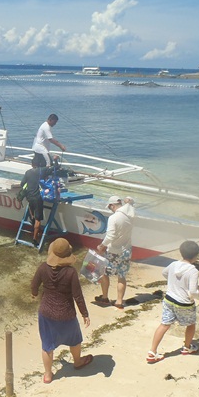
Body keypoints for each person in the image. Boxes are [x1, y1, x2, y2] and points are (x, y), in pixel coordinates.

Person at [31, 238, 92, 384]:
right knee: (75, 340)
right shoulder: (70, 273)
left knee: (47, 346)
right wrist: (85, 314)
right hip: (66, 313)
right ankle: (77, 362)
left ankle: (47, 374)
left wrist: (34, 294)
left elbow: (34, 284)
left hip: (46, 312)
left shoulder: (43, 268)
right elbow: (77, 295)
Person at [147, 240, 199, 363]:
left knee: (164, 324)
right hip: (184, 304)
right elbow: (193, 292)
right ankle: (187, 347)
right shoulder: (193, 270)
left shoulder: (173, 264)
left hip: (169, 299)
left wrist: (173, 282)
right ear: (196, 256)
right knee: (191, 324)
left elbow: (164, 273)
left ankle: (152, 352)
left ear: (181, 253)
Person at [94, 195, 134, 309]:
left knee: (104, 273)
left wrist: (102, 245)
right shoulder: (130, 213)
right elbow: (131, 202)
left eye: (109, 207)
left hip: (114, 250)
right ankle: (119, 301)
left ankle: (105, 297)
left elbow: (110, 235)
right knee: (121, 276)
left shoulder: (113, 218)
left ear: (112, 205)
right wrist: (128, 200)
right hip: (126, 249)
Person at [19, 156, 52, 246]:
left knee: (33, 216)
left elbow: (22, 184)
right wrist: (55, 160)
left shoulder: (28, 172)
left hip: (29, 197)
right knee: (38, 220)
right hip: (38, 198)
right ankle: (34, 239)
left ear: (32, 164)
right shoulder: (42, 170)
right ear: (40, 164)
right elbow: (54, 169)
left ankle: (32, 220)